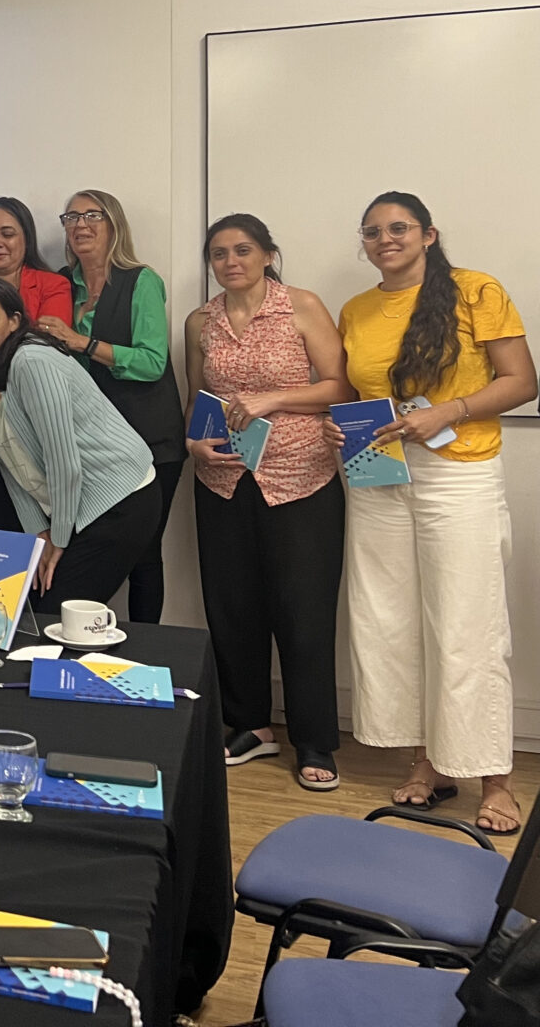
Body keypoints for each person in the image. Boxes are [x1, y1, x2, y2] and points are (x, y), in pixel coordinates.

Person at [335, 192, 534, 835]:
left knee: (467, 625)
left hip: (459, 472)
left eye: (399, 228)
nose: (385, 239)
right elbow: (359, 394)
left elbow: (522, 381)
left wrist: (449, 411)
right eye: (373, 232)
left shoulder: (477, 291)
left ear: (428, 234)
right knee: (392, 623)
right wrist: (343, 427)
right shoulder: (356, 309)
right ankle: (428, 763)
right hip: (378, 474)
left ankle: (494, 779)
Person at [185, 214, 352, 789]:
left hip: (301, 479)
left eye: (243, 250)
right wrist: (193, 443)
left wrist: (271, 399)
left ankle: (314, 740)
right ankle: (251, 725)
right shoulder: (200, 320)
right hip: (223, 480)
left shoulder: (301, 306)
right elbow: (198, 399)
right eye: (219, 253)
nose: (231, 262)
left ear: (267, 255)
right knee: (232, 609)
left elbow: (340, 387)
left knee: (304, 612)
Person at [0, 278, 159, 612]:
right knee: (27, 608)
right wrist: (40, 532)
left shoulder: (32, 361)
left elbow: (64, 462)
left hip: (122, 499)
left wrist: (58, 539)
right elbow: (12, 469)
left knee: (57, 612)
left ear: (14, 321)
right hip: (74, 507)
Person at [38, 189, 185, 623]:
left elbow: (152, 362)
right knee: (87, 548)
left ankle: (144, 647)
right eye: (71, 217)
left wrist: (83, 342)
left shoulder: (141, 280)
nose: (80, 225)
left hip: (150, 437)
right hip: (91, 446)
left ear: (114, 223)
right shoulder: (61, 284)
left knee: (144, 553)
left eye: (92, 215)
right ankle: (80, 639)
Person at [0, 196, 71, 530]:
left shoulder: (52, 284)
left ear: (26, 238)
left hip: (33, 422)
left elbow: (51, 342)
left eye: (7, 233)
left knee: (38, 528)